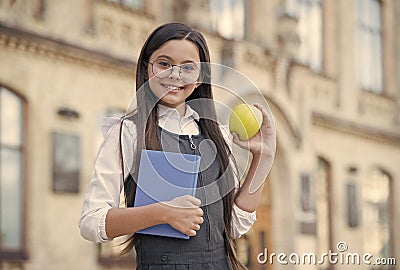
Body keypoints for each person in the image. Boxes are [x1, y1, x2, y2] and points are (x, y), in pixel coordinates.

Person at [79, 22, 276, 270]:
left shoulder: (218, 135)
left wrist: (263, 158)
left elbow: (235, 225)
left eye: (188, 67)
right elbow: (91, 222)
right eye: (164, 63)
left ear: (201, 76)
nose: (175, 75)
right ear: (146, 68)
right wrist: (162, 212)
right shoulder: (127, 132)